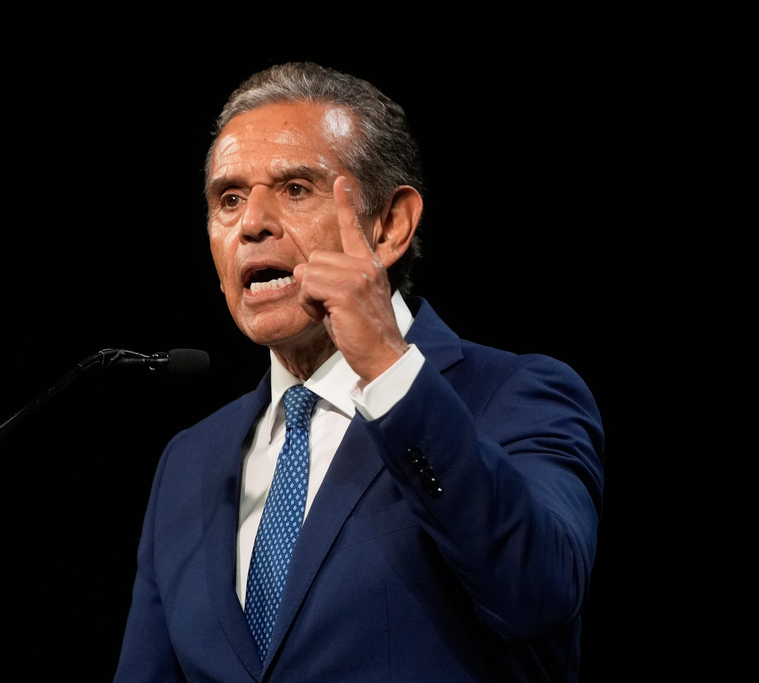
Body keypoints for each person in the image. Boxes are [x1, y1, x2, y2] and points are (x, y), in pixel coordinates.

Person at [113, 62, 604, 683]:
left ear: (390, 224)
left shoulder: (516, 395)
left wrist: (386, 366)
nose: (252, 224)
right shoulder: (188, 461)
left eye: (295, 188)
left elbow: (539, 594)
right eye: (229, 198)